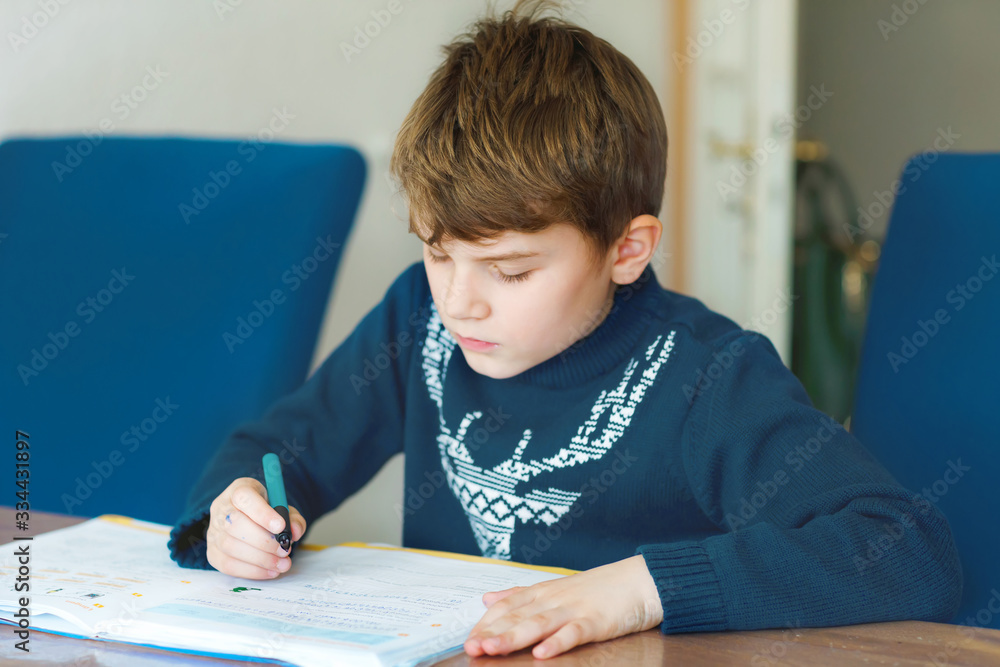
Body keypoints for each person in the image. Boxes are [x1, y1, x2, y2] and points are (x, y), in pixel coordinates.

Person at [168, 0, 962, 660]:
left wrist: (643, 587)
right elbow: (276, 452)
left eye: (510, 272)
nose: (461, 302)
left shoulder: (708, 376)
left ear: (626, 248)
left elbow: (904, 547)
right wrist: (233, 515)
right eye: (438, 254)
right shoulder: (418, 319)